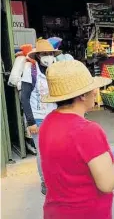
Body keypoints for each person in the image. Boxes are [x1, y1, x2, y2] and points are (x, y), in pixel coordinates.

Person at [40, 60, 114, 219]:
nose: (95, 91)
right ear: (83, 95)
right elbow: (107, 184)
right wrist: (113, 168)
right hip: (87, 212)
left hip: (55, 212)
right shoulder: (88, 131)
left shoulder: (47, 122)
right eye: (92, 88)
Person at [21, 39, 61, 195]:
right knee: (43, 152)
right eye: (44, 54)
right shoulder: (30, 70)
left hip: (54, 116)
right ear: (38, 56)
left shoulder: (55, 70)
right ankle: (46, 183)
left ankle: (56, 178)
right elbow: (24, 97)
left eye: (50, 54)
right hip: (37, 118)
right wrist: (30, 122)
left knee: (56, 150)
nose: (48, 57)